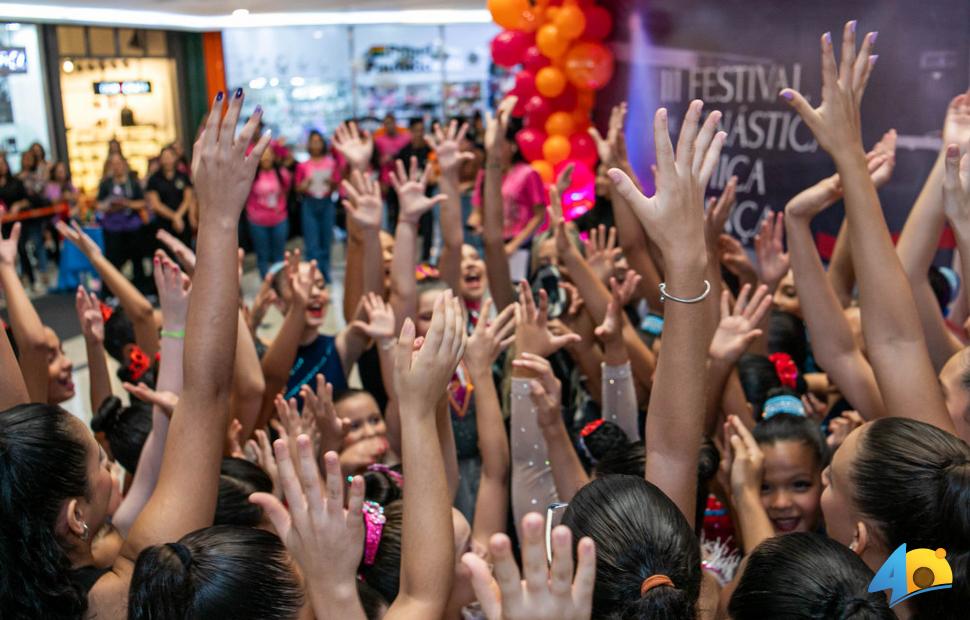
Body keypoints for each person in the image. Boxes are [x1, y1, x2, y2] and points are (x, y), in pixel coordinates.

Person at [96, 153, 152, 294]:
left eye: (119, 163)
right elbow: (98, 205)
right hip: (113, 228)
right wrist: (109, 205)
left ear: (124, 164)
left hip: (132, 226)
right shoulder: (106, 184)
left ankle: (141, 291)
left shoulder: (133, 183)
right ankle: (112, 294)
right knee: (113, 262)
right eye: (113, 164)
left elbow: (142, 202)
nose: (117, 167)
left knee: (137, 260)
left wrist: (127, 203)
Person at [296, 130, 338, 282]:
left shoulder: (331, 163)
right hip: (310, 202)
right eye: (313, 141)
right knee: (312, 243)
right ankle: (314, 276)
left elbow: (336, 186)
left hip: (326, 203)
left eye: (318, 141)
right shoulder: (303, 165)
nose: (316, 144)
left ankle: (325, 274)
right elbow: (297, 189)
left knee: (326, 241)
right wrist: (305, 184)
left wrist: (331, 183)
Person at [246, 145, 292, 277]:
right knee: (262, 255)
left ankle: (280, 285)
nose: (266, 157)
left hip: (279, 220)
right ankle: (266, 286)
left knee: (279, 254)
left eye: (268, 154)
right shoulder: (251, 175)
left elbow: (286, 192)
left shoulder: (282, 174)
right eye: (263, 154)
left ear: (273, 156)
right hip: (257, 222)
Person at [146, 145, 195, 246]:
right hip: (163, 223)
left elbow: (188, 199)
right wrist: (174, 217)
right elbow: (156, 204)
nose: (167, 160)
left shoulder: (183, 176)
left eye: (170, 156)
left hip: (182, 222)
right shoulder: (154, 179)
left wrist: (178, 216)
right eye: (165, 157)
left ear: (175, 158)